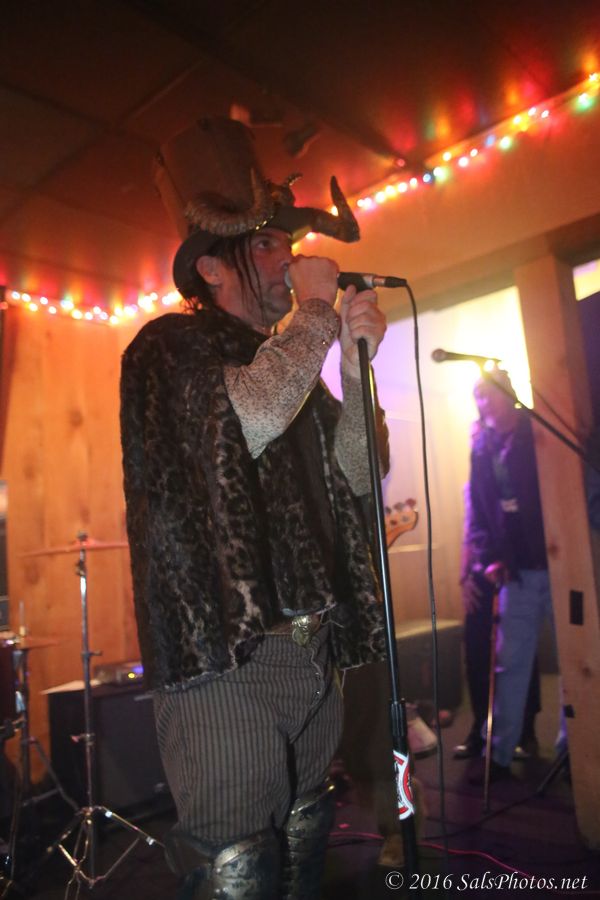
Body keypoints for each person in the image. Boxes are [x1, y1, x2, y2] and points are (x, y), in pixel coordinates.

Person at [120, 117, 389, 899]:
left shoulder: (290, 362)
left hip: (312, 653)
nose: (289, 259)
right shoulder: (168, 349)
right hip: (228, 661)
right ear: (212, 267)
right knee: (236, 866)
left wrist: (357, 371)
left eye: (286, 243)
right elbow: (248, 417)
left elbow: (361, 474)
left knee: (303, 847)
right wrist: (317, 317)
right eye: (267, 245)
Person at [465, 369, 566, 783]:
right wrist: (488, 557)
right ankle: (499, 754)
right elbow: (479, 510)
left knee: (574, 660)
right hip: (517, 574)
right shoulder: (481, 447)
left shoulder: (537, 432)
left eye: (487, 394)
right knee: (509, 664)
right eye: (477, 396)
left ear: (507, 394)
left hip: (559, 567)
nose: (481, 403)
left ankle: (572, 749)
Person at [453, 476, 541, 761]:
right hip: (482, 570)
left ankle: (525, 731)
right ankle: (481, 728)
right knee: (476, 651)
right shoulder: (475, 478)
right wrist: (464, 576)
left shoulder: (517, 470)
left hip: (517, 567)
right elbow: (470, 529)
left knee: (518, 649)